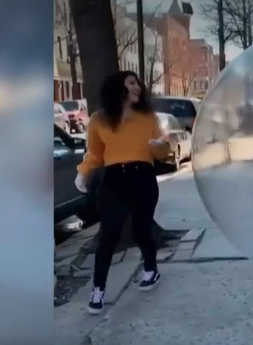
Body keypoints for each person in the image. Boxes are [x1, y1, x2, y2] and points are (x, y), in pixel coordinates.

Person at [75, 71, 171, 315]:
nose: (137, 86)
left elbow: (161, 152)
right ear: (118, 87)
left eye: (138, 82)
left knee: (141, 228)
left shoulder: (148, 117)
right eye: (131, 82)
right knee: (108, 233)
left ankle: (151, 269)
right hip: (114, 180)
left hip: (143, 178)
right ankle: (98, 289)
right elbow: (95, 154)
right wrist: (83, 172)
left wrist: (162, 147)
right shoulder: (99, 120)